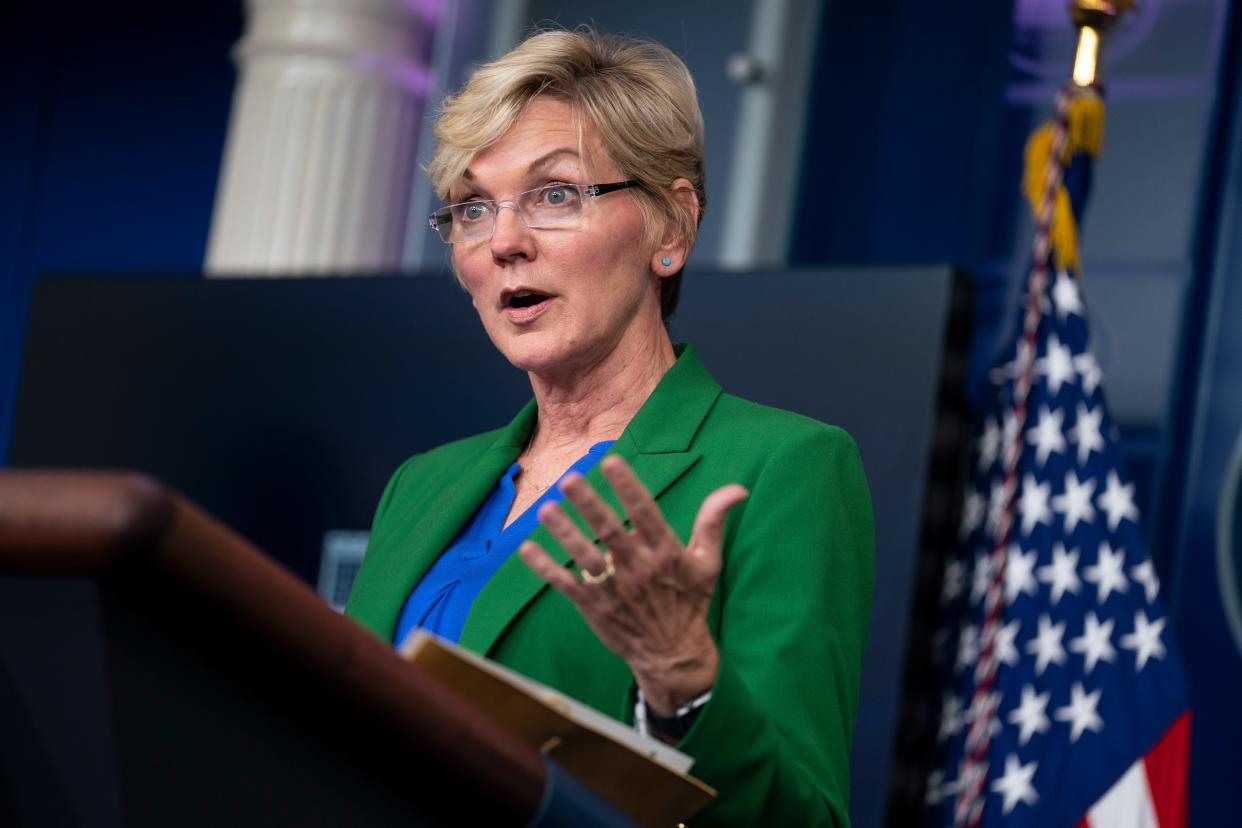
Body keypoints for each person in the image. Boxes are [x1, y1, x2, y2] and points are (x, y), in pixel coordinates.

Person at [345, 28, 874, 826]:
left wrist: (684, 684)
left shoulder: (782, 468)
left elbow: (805, 818)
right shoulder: (423, 485)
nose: (505, 242)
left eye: (556, 194)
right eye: (472, 208)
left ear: (671, 228)